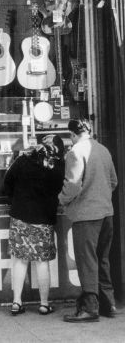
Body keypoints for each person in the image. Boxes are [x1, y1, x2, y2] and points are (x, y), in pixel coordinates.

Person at [59, 119, 119, 322]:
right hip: (106, 214)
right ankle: (108, 304)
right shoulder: (103, 150)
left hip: (86, 217)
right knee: (102, 259)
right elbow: (114, 181)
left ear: (73, 134)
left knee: (87, 262)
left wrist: (61, 199)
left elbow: (72, 186)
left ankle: (90, 308)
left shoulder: (75, 152)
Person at [4, 134, 65, 316]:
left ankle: (16, 302)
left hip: (20, 216)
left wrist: (18, 198)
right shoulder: (58, 165)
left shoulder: (23, 159)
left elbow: (7, 183)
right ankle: (44, 304)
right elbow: (60, 189)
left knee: (20, 261)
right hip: (43, 218)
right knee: (42, 262)